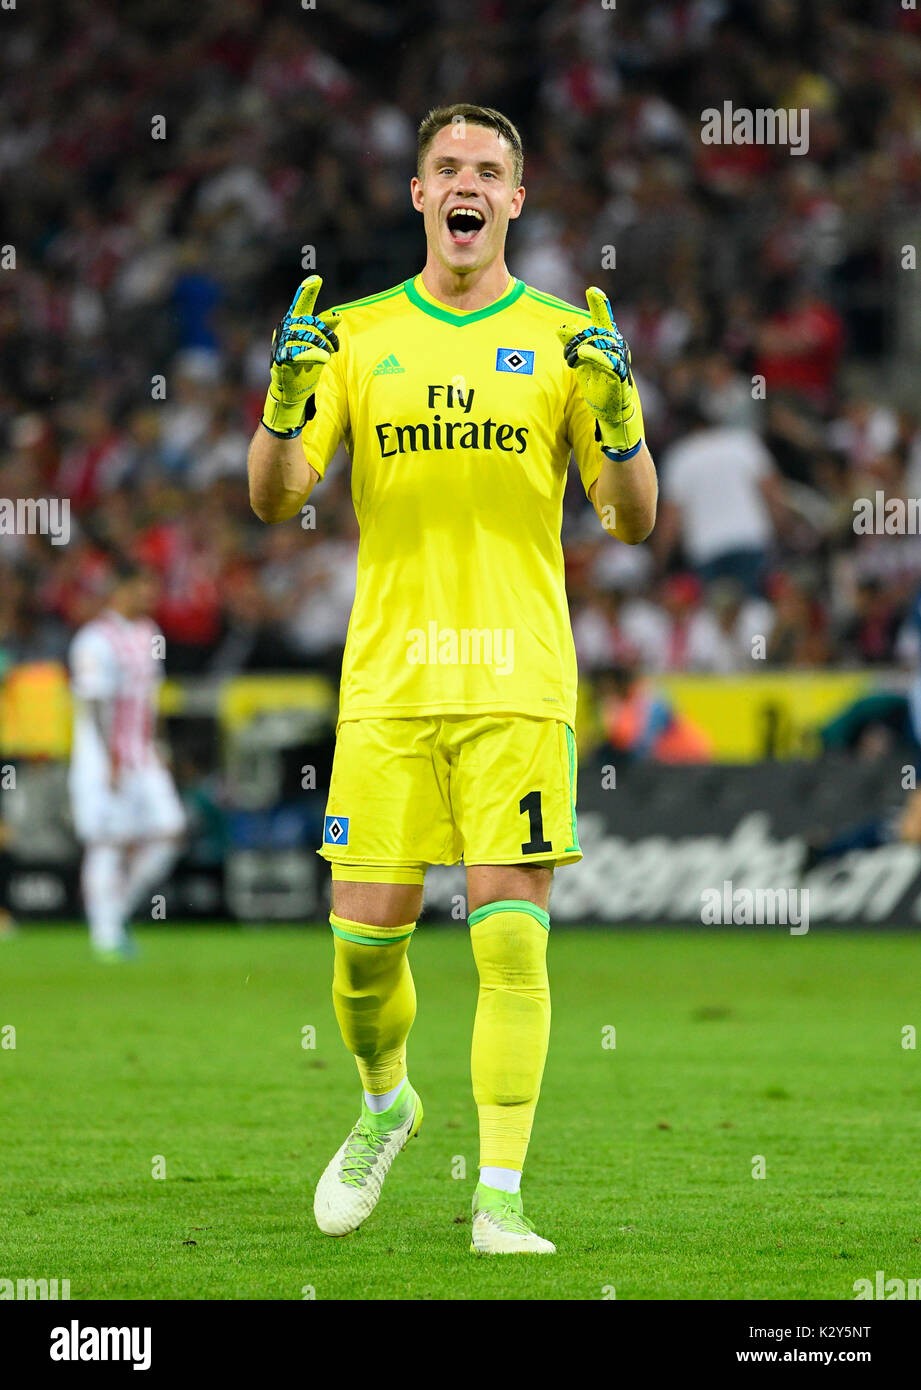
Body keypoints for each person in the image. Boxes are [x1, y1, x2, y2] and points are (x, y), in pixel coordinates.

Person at [247, 103, 657, 1254]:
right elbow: (274, 497)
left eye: (487, 169)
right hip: (390, 684)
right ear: (420, 194)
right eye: (446, 168)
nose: (466, 183)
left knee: (510, 944)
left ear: (515, 200)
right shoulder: (355, 335)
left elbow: (632, 520)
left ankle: (501, 1200)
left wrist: (622, 420)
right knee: (361, 958)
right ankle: (386, 1105)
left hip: (518, 679)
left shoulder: (568, 340)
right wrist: (281, 405)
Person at [68, 559, 185, 959]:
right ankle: (105, 935)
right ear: (119, 590)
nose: (150, 595)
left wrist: (159, 747)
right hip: (102, 756)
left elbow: (151, 699)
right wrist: (110, 757)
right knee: (108, 841)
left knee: (170, 831)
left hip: (143, 753)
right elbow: (94, 703)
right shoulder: (93, 639)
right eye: (142, 587)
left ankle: (114, 912)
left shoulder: (149, 632)